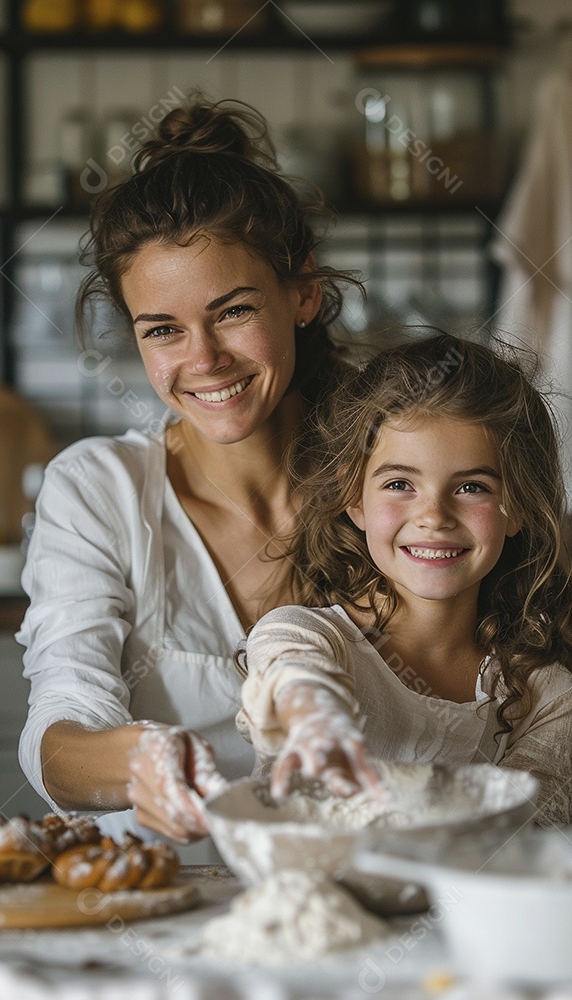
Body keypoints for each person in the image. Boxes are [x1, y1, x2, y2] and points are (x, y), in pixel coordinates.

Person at [16, 93, 357, 858]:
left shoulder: (388, 482)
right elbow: (61, 721)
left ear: (302, 292)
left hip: (375, 900)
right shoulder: (99, 490)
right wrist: (138, 760)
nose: (203, 362)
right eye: (163, 330)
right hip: (162, 909)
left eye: (233, 312)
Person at [236, 333, 572, 827]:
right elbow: (294, 680)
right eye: (400, 484)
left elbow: (516, 832)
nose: (433, 516)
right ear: (354, 498)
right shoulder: (306, 637)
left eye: (472, 487)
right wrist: (315, 723)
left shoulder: (549, 696)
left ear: (516, 507)